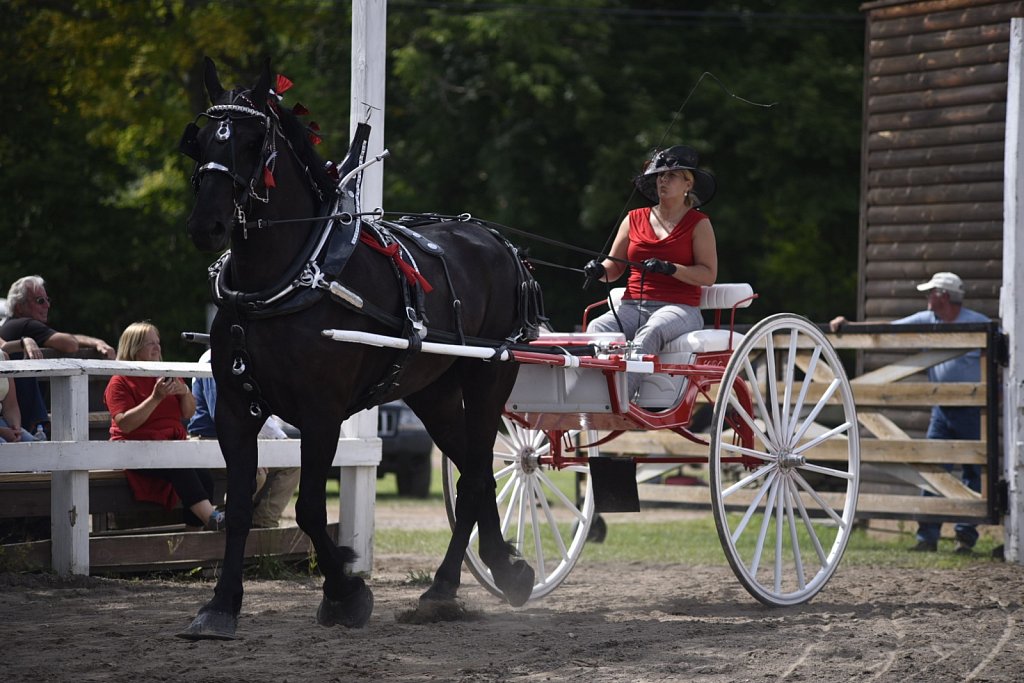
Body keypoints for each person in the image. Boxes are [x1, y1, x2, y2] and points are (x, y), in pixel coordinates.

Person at [830, 272, 989, 555]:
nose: (927, 298)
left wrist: (999, 390)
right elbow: (889, 328)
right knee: (931, 469)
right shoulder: (927, 319)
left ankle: (965, 537)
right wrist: (850, 326)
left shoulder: (979, 323)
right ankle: (927, 536)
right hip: (941, 409)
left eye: (931, 293)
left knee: (971, 471)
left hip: (971, 409)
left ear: (944, 295)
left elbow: (1004, 356)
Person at [584, 145, 718, 398]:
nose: (662, 180)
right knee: (597, 328)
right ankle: (593, 395)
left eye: (670, 175)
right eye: (659, 176)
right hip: (633, 306)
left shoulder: (699, 224)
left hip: (680, 308)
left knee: (653, 329)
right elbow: (615, 268)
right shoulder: (633, 219)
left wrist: (670, 269)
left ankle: (620, 399)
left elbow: (708, 274)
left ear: (687, 183)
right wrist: (598, 270)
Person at [104, 321, 224, 531]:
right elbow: (126, 424)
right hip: (135, 449)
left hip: (171, 447)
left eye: (157, 342)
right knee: (178, 466)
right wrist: (156, 398)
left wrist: (184, 392)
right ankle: (212, 519)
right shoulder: (119, 381)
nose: (157, 348)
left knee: (203, 475)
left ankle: (195, 536)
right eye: (149, 343)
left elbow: (188, 412)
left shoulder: (165, 373)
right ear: (133, 348)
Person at [188, 348, 301, 528]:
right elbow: (221, 416)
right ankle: (229, 523)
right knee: (252, 474)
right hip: (209, 440)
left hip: (237, 441)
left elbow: (256, 411)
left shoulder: (246, 360)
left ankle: (262, 524)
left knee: (292, 461)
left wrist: (279, 442)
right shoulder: (214, 358)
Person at [0, 276, 116, 435]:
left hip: (15, 417)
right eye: (40, 300)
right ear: (20, 307)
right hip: (18, 420)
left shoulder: (13, 325)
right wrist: (93, 342)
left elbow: (63, 337)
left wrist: (93, 341)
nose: (47, 305)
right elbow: (69, 344)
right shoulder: (26, 325)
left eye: (48, 300)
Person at [1, 349, 38, 443]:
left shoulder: (3, 357)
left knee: (33, 444)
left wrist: (16, 430)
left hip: (2, 423)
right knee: (4, 446)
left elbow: (10, 406)